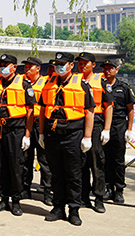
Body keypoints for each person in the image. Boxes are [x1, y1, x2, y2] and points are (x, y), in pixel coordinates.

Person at [39, 52, 95, 226]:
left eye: (63, 64)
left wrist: (87, 136)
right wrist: (40, 133)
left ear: (71, 65)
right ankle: (58, 208)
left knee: (73, 174)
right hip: (52, 135)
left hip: (73, 135)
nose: (59, 67)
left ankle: (74, 209)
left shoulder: (82, 84)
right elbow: (42, 110)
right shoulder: (49, 84)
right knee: (56, 174)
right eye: (57, 64)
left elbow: (90, 111)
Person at [0, 54, 35, 216]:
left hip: (16, 131)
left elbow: (30, 111)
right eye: (1, 64)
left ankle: (16, 200)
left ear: (14, 67)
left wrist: (27, 135)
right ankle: (3, 198)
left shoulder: (24, 83)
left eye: (6, 64)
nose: (2, 67)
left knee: (15, 166)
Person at [76, 52, 114, 213]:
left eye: (86, 63)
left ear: (93, 64)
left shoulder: (101, 81)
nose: (82, 65)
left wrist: (106, 129)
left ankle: (98, 197)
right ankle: (83, 197)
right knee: (80, 162)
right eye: (80, 63)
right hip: (78, 123)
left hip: (97, 123)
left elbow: (109, 106)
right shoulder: (75, 80)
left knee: (96, 161)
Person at [20, 56, 52, 206]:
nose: (27, 69)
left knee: (44, 159)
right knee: (25, 157)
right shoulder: (21, 82)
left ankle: (47, 192)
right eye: (25, 67)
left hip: (40, 123)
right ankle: (25, 188)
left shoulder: (46, 83)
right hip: (25, 123)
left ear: (38, 69)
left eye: (30, 67)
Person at [102, 59, 135, 204]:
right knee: (105, 159)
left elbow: (130, 110)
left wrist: (129, 129)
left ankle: (119, 190)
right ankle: (108, 188)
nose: (107, 71)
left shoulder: (124, 88)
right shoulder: (100, 86)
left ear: (116, 70)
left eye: (111, 68)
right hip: (103, 126)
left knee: (118, 160)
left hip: (119, 126)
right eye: (105, 68)